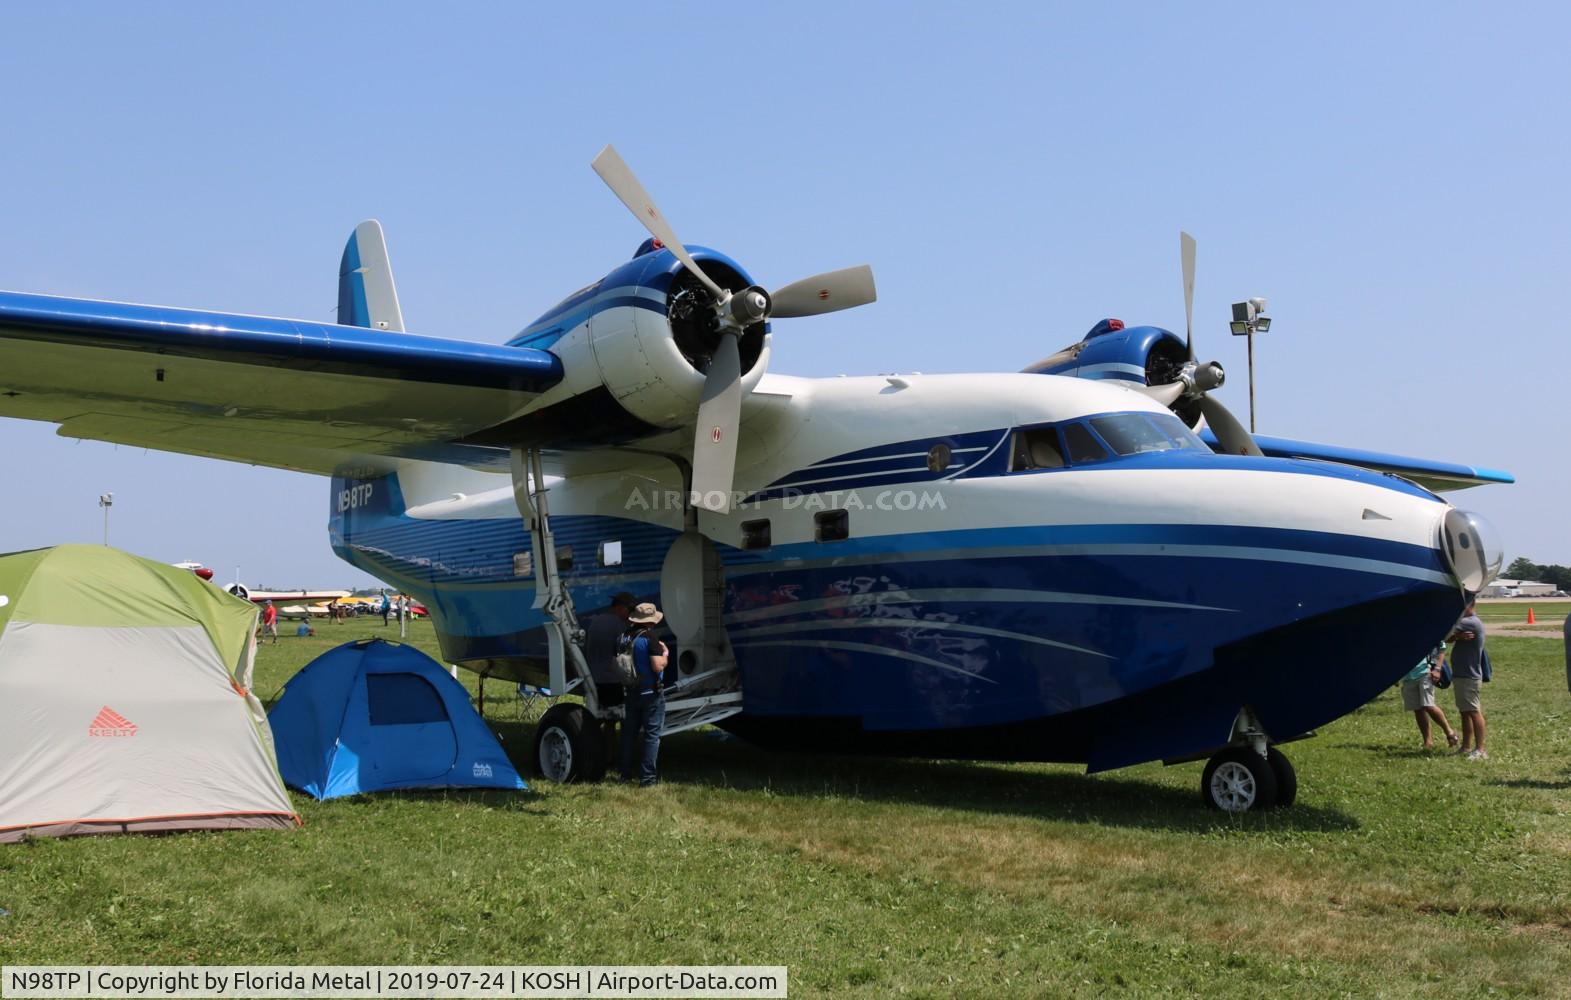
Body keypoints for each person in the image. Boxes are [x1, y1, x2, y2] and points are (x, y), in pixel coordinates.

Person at [619, 602, 669, 787]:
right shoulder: (650, 638)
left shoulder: (623, 637)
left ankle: (624, 774)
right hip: (651, 693)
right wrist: (665, 654)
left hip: (631, 691)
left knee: (628, 735)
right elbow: (657, 666)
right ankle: (647, 779)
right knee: (652, 736)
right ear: (651, 622)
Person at [584, 592, 637, 763]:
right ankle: (609, 758)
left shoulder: (596, 621)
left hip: (594, 678)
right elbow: (626, 652)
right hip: (611, 680)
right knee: (612, 722)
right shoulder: (618, 625)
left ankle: (592, 753)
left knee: (597, 718)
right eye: (629, 610)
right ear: (620, 608)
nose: (630, 614)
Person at [1447, 600, 1489, 759]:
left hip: (1469, 675)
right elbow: (1449, 638)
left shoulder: (1469, 622)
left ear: (1468, 605)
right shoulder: (1466, 624)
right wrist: (1457, 636)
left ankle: (1480, 749)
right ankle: (1466, 746)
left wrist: (1455, 635)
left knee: (1473, 711)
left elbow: (1442, 633)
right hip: (1462, 674)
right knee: (1464, 712)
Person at [1400, 643, 1459, 750]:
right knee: (1418, 710)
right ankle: (1428, 741)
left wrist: (1437, 669)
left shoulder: (1424, 629)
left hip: (1425, 672)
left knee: (1429, 706)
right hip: (1408, 677)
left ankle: (1450, 732)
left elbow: (1442, 647)